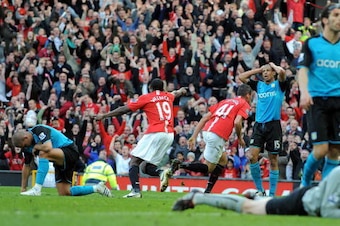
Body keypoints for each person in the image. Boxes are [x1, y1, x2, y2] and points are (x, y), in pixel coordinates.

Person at [95, 78, 186, 198]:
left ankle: (135, 191)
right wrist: (182, 90)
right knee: (145, 166)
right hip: (169, 135)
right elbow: (177, 93)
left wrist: (105, 115)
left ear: (150, 88)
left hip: (155, 132)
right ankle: (162, 172)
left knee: (134, 161)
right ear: (162, 88)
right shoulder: (168, 96)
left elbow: (124, 109)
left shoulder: (147, 97)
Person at [172, 165, 340, 219]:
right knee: (250, 208)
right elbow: (327, 209)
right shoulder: (338, 173)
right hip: (303, 202)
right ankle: (199, 197)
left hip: (310, 203)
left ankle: (258, 195)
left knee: (258, 204)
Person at [177, 84, 252, 193]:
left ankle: (208, 191)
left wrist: (194, 136)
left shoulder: (225, 101)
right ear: (248, 95)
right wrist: (240, 138)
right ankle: (180, 164)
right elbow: (237, 122)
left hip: (207, 130)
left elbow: (205, 118)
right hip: (217, 135)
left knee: (223, 159)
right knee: (208, 168)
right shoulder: (244, 104)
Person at [297, 3, 340, 187]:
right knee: (321, 149)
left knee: (335, 151)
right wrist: (304, 92)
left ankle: (325, 191)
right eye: (336, 15)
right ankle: (305, 181)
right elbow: (302, 69)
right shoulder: (312, 43)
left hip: (338, 101)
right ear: (325, 20)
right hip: (317, 101)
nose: (339, 19)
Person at [11, 124, 112, 197]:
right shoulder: (27, 146)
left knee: (43, 152)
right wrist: (23, 188)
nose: (25, 148)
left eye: (24, 145)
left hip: (70, 150)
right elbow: (27, 165)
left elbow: (48, 147)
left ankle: (37, 189)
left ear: (25, 138)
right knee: (65, 193)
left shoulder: (39, 130)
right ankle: (97, 188)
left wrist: (37, 146)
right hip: (59, 159)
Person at [239, 62, 287, 196]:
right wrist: (258, 69)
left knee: (273, 160)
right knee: (252, 156)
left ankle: (271, 194)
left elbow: (283, 72)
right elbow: (242, 77)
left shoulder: (279, 85)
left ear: (273, 73)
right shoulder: (259, 85)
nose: (265, 73)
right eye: (263, 71)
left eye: (268, 71)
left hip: (274, 126)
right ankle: (260, 190)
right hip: (259, 126)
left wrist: (274, 66)